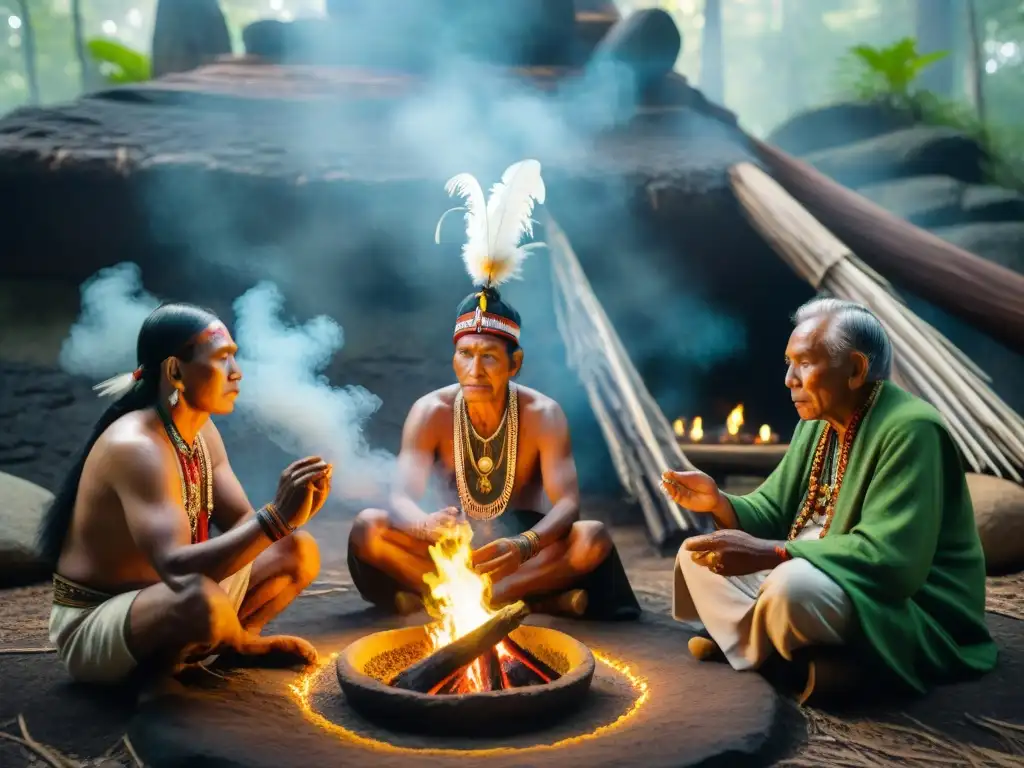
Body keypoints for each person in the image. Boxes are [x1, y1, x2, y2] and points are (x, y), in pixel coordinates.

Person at [348, 159, 641, 620]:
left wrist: (525, 544)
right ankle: (535, 599)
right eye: (466, 354)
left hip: (518, 550)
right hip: (450, 547)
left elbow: (567, 503)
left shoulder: (544, 414)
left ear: (515, 363)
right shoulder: (431, 412)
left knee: (592, 538)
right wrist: (425, 525)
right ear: (453, 358)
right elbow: (400, 497)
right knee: (369, 529)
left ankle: (474, 600)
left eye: (489, 357)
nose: (475, 368)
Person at [663, 297, 997, 701]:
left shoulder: (913, 429)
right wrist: (717, 502)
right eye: (788, 362)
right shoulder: (817, 422)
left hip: (905, 603)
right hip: (808, 565)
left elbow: (892, 562)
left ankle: (750, 643)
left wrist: (775, 554)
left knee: (789, 589)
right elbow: (773, 509)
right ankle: (778, 650)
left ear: (855, 370)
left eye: (804, 363)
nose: (789, 378)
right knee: (695, 554)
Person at [39, 303, 332, 685]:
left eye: (235, 358)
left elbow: (245, 525)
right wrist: (275, 518)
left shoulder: (201, 431)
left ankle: (236, 644)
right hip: (98, 623)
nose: (237, 373)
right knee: (200, 600)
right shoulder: (136, 447)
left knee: (296, 550)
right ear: (176, 371)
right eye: (223, 359)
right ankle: (175, 676)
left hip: (170, 596)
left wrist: (294, 515)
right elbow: (176, 568)